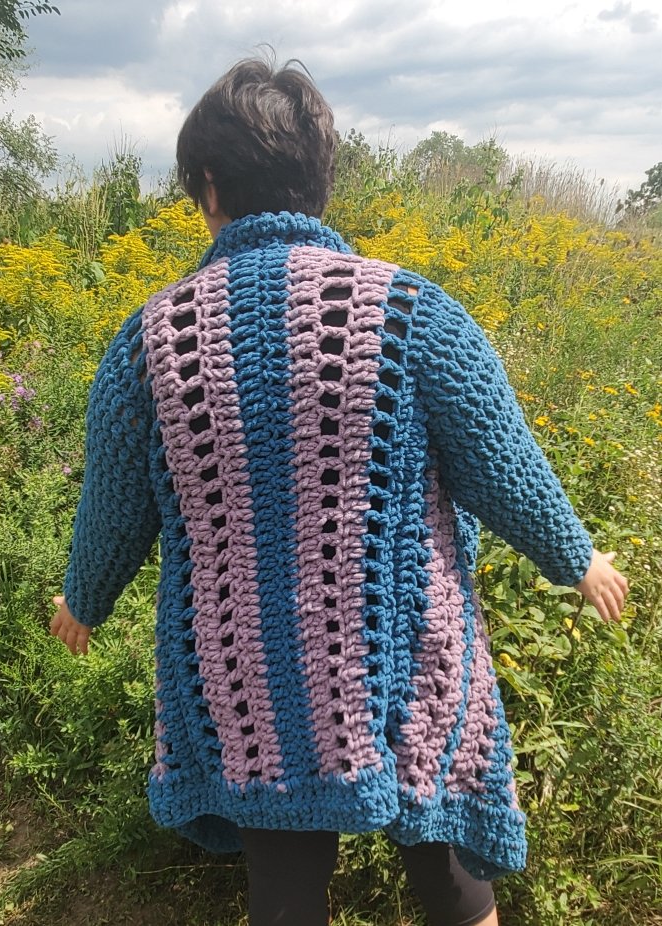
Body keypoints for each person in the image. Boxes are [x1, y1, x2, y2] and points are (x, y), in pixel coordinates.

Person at [50, 57, 629, 926]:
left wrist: (84, 599)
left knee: (284, 886)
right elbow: (499, 458)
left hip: (247, 670)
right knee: (447, 869)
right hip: (404, 648)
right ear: (320, 179)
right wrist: (575, 557)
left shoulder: (151, 340)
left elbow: (115, 506)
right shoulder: (410, 312)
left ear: (208, 185)